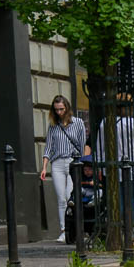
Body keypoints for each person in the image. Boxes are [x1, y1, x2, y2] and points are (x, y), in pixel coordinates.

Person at [38, 95, 89, 243]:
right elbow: (48, 147)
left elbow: (82, 144)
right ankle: (63, 231)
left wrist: (82, 164)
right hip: (58, 163)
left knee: (70, 197)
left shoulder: (78, 123)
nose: (59, 112)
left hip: (73, 162)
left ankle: (76, 229)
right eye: (56, 110)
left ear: (66, 107)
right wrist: (44, 167)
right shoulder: (53, 125)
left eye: (61, 109)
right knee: (61, 198)